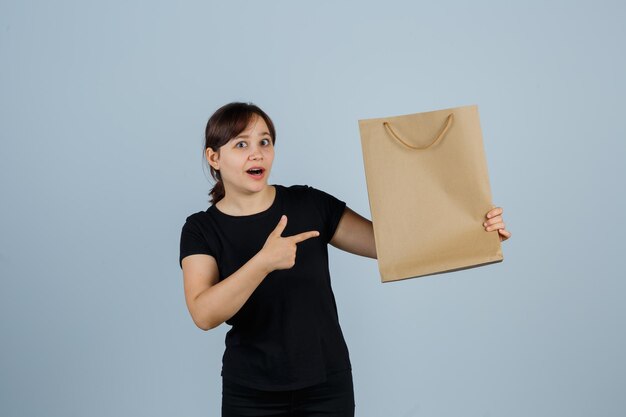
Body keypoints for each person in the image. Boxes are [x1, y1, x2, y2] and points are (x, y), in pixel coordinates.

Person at [178, 102, 511, 417]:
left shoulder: (309, 204)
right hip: (250, 392)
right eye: (241, 144)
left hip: (326, 387)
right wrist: (263, 261)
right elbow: (204, 314)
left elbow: (392, 245)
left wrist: (473, 229)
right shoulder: (201, 229)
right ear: (214, 157)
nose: (257, 152)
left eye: (265, 141)